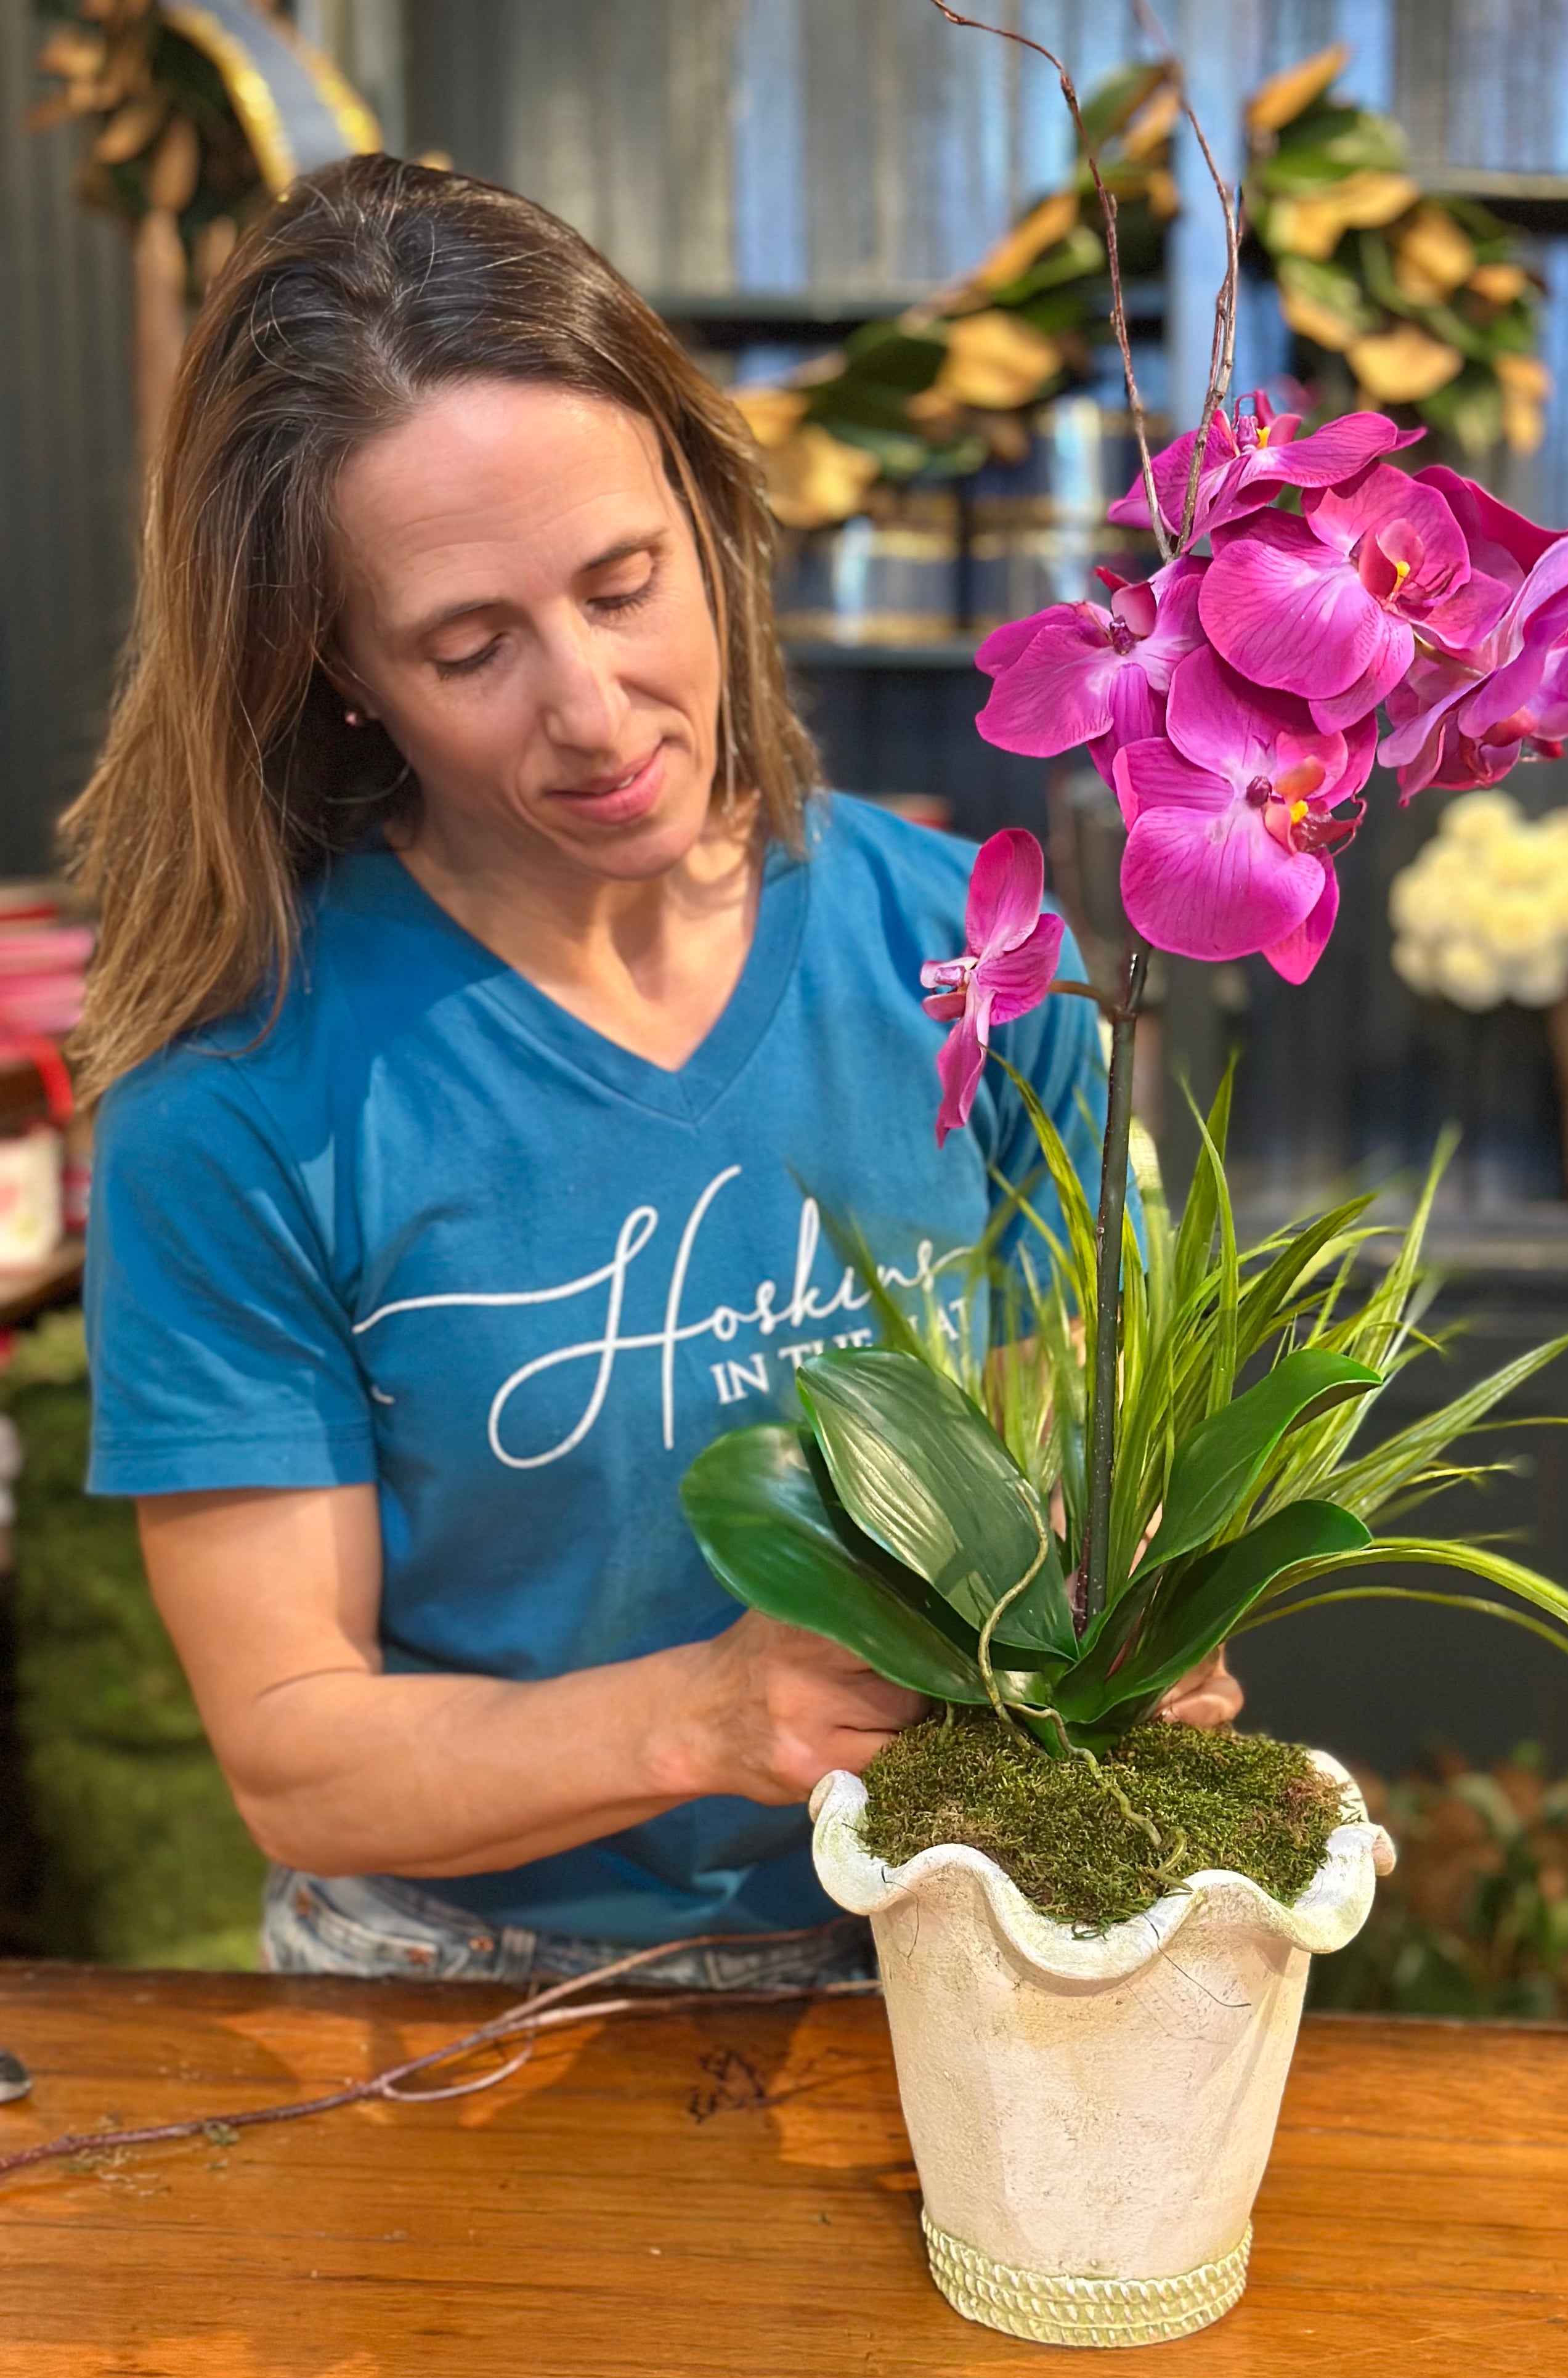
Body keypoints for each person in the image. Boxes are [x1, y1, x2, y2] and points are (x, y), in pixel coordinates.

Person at [68, 156, 1239, 1990]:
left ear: (712, 517)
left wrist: (1149, 1615)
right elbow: (296, 1750)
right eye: (471, 647)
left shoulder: (970, 951)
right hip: (465, 1991)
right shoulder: (239, 1096)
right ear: (337, 674)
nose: (596, 714)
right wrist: (702, 1719)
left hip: (935, 1928)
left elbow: (1089, 1456)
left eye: (625, 583)